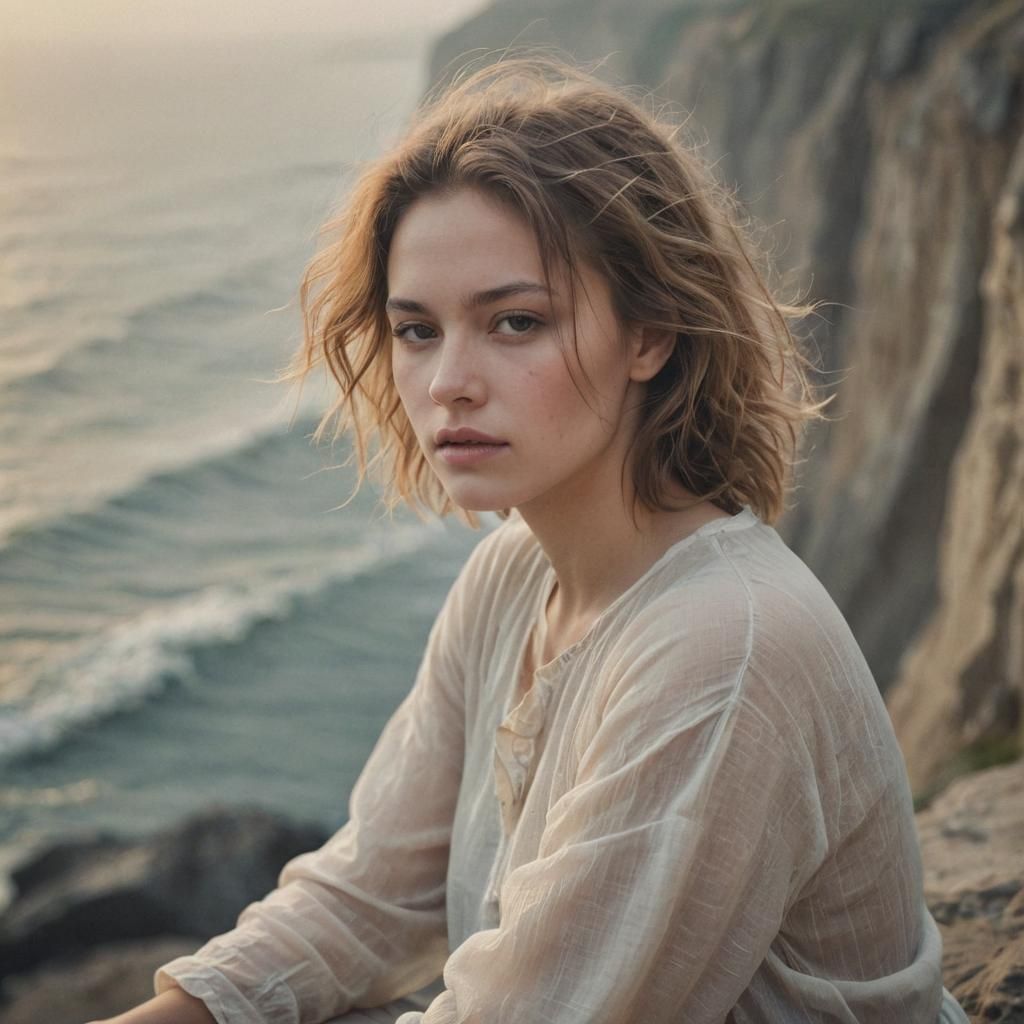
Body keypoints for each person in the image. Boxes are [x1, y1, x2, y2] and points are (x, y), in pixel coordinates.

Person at [95, 58, 969, 1024]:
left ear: (650, 335)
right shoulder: (514, 573)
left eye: (516, 322)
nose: (448, 383)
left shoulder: (724, 649)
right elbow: (370, 890)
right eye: (417, 330)